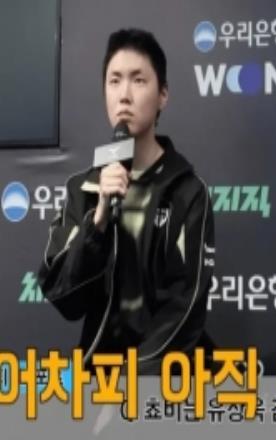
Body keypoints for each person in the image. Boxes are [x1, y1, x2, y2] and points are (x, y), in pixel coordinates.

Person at [38, 28, 215, 374]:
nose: (124, 95)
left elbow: (184, 308)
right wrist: (98, 222)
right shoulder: (82, 190)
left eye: (138, 80)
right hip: (97, 375)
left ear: (163, 95)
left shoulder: (188, 192)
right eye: (114, 81)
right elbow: (64, 297)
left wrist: (129, 383)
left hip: (160, 379)